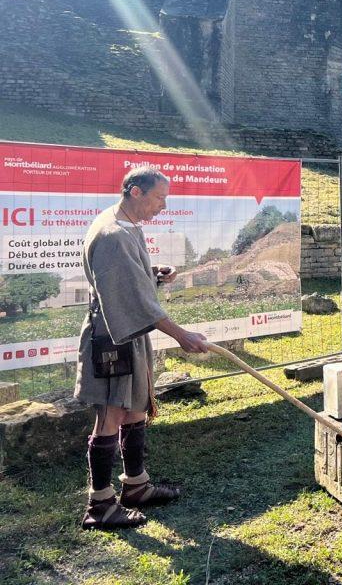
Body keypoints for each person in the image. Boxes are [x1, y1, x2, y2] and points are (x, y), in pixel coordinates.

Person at [75, 167, 208, 531]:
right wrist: (181, 335)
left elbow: (127, 277)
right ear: (136, 191)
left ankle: (136, 485)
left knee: (134, 408)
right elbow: (132, 300)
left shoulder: (126, 224)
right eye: (159, 197)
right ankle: (100, 504)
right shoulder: (113, 234)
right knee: (111, 414)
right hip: (111, 338)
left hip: (129, 334)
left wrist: (152, 272)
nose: (163, 206)